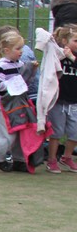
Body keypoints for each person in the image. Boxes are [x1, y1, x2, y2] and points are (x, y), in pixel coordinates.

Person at [0, 30, 33, 171]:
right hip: (5, 105)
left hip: (19, 104)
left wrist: (30, 71)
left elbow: (25, 82)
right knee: (7, 136)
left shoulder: (20, 64)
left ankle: (19, 160)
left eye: (22, 48)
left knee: (21, 132)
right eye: (18, 48)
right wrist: (11, 84)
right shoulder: (2, 65)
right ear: (7, 50)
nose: (21, 51)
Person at [46, 25, 77, 173]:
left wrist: (72, 57)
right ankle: (52, 159)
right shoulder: (57, 55)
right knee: (56, 132)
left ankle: (67, 157)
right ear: (65, 41)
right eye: (75, 40)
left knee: (75, 132)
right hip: (58, 101)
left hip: (74, 102)